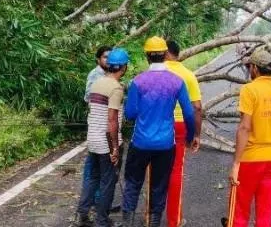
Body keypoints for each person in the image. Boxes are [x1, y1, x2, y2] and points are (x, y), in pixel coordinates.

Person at [121, 36, 196, 227]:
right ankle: (154, 223)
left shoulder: (138, 81)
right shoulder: (177, 81)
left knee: (133, 183)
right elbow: (189, 113)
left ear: (147, 56)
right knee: (159, 186)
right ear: (165, 55)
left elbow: (129, 114)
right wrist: (190, 136)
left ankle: (128, 221)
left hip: (140, 142)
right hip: (165, 144)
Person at [223, 48, 271, 227]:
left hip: (250, 159)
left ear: (255, 68)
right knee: (265, 212)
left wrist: (236, 163)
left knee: (239, 211)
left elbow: (245, 127)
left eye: (250, 66)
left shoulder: (249, 90)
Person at [73, 48, 130, 227]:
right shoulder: (116, 88)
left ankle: (82, 215)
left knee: (93, 178)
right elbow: (112, 120)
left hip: (93, 140)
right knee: (108, 183)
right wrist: (114, 148)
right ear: (123, 67)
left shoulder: (97, 83)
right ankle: (102, 221)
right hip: (107, 143)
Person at [164, 39, 202, 227]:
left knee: (153, 170)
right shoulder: (188, 75)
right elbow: (197, 107)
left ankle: (149, 217)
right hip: (179, 126)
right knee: (176, 171)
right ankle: (174, 220)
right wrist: (196, 134)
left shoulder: (152, 73)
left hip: (156, 125)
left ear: (165, 53)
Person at [82, 46, 113, 210]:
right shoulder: (96, 75)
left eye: (110, 57)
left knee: (100, 170)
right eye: (105, 57)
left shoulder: (110, 75)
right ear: (98, 59)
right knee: (95, 170)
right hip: (98, 126)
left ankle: (100, 202)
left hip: (102, 127)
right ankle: (95, 204)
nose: (108, 60)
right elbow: (88, 97)